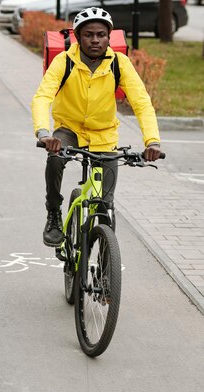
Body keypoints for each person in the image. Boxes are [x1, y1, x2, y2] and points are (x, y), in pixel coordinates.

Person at [31, 7, 162, 247]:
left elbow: (142, 103)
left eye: (101, 34)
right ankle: (53, 214)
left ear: (108, 36)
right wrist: (44, 133)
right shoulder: (64, 61)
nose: (95, 40)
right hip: (68, 130)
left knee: (105, 208)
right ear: (78, 37)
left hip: (104, 135)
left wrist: (151, 141)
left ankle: (103, 264)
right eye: (89, 34)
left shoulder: (119, 63)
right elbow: (42, 97)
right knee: (55, 159)